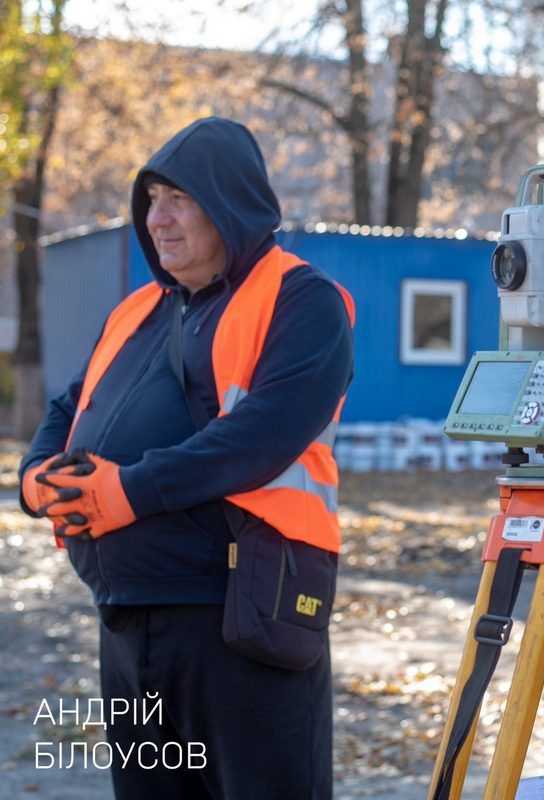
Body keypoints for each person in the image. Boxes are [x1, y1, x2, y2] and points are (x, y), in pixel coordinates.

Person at [18, 116, 354, 799]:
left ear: (228, 204)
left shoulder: (300, 298)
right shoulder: (138, 310)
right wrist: (36, 480)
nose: (157, 220)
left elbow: (263, 434)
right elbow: (69, 406)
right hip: (127, 621)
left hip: (238, 621)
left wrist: (128, 492)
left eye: (179, 199)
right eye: (151, 200)